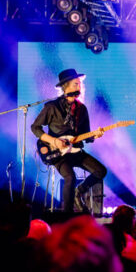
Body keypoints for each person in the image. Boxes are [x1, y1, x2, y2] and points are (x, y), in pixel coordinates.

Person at [31, 68, 106, 213]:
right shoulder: (51, 107)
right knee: (70, 177)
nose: (79, 87)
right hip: (59, 154)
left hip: (76, 151)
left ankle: (80, 191)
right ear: (65, 86)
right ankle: (67, 215)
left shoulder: (82, 109)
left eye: (79, 84)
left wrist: (94, 135)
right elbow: (35, 128)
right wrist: (53, 141)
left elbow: (85, 134)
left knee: (100, 171)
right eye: (76, 84)